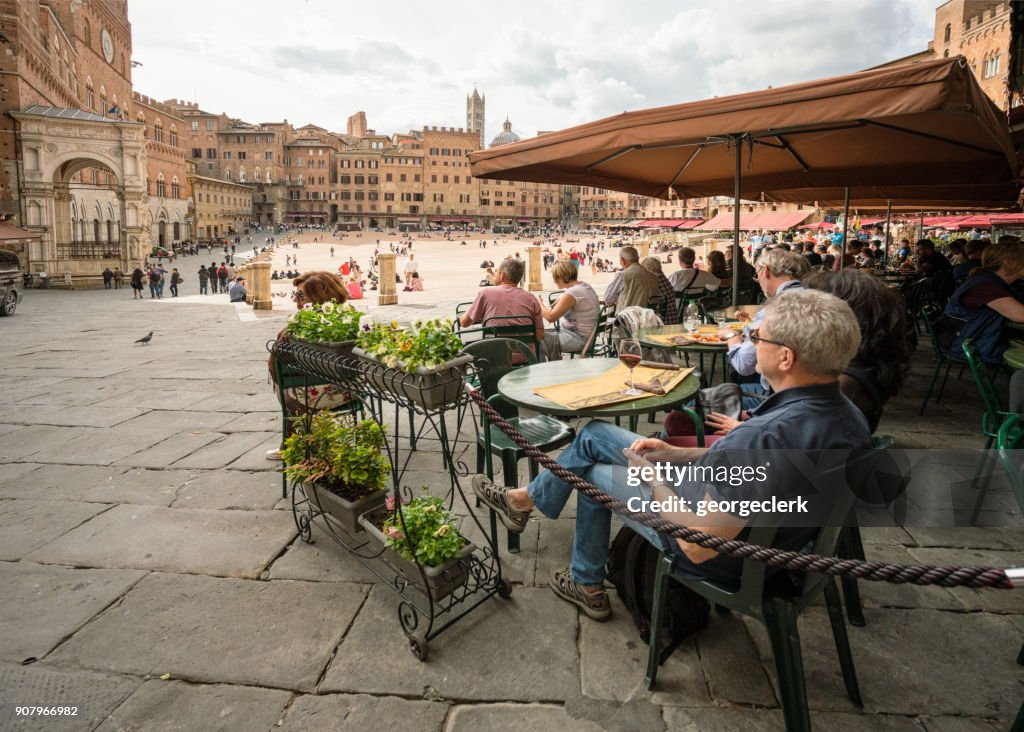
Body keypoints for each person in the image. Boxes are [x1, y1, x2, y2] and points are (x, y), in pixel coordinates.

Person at [472, 289, 870, 618]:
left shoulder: (767, 438)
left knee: (590, 469)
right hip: (773, 541)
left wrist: (653, 479)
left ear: (786, 357)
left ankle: (582, 577)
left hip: (723, 551)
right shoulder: (848, 418)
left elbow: (699, 545)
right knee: (593, 434)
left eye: (758, 339)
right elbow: (756, 474)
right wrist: (675, 453)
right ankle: (525, 502)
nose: (751, 345)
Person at [942, 241, 1024, 364]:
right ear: (1009, 262)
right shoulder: (986, 286)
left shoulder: (990, 280)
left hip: (975, 339)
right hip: (969, 345)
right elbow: (1020, 315)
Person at [459, 258, 544, 357]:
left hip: (495, 358)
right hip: (526, 358)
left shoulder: (486, 294)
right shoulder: (531, 298)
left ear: (502, 275)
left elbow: (464, 323)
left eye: (497, 272)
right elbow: (539, 334)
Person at [539, 260, 600, 361]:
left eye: (556, 277)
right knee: (542, 334)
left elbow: (550, 317)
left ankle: (544, 370)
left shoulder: (573, 292)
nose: (554, 281)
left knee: (537, 339)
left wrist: (539, 303)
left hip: (579, 339)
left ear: (563, 277)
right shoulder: (584, 286)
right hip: (589, 336)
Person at [602, 246, 659, 310]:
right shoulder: (654, 277)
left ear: (622, 260)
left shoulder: (622, 276)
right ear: (638, 258)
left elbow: (608, 299)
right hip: (648, 318)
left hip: (627, 318)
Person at [639, 256, 680, 325]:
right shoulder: (664, 279)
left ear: (651, 269)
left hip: (662, 321)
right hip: (673, 319)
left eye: (644, 269)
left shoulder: (653, 280)